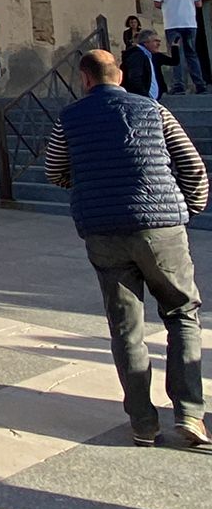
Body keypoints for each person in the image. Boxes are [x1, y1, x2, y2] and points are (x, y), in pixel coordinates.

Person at [45, 49, 209, 448]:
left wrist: (90, 190)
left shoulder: (68, 119)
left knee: (125, 325)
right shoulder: (154, 110)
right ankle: (188, 413)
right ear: (118, 75)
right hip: (161, 225)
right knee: (182, 313)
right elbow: (192, 165)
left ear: (85, 80)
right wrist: (188, 206)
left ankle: (142, 421)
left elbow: (55, 170)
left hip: (103, 229)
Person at [153, 0, 207, 93]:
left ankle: (179, 85)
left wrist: (170, 4)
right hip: (190, 24)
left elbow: (156, 3)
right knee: (192, 54)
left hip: (173, 24)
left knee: (176, 55)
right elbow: (199, 3)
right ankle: (200, 85)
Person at [122, 29, 167, 101]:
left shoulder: (147, 55)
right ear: (145, 42)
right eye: (155, 41)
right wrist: (145, 98)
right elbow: (135, 79)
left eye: (159, 41)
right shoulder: (137, 55)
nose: (159, 44)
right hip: (140, 102)